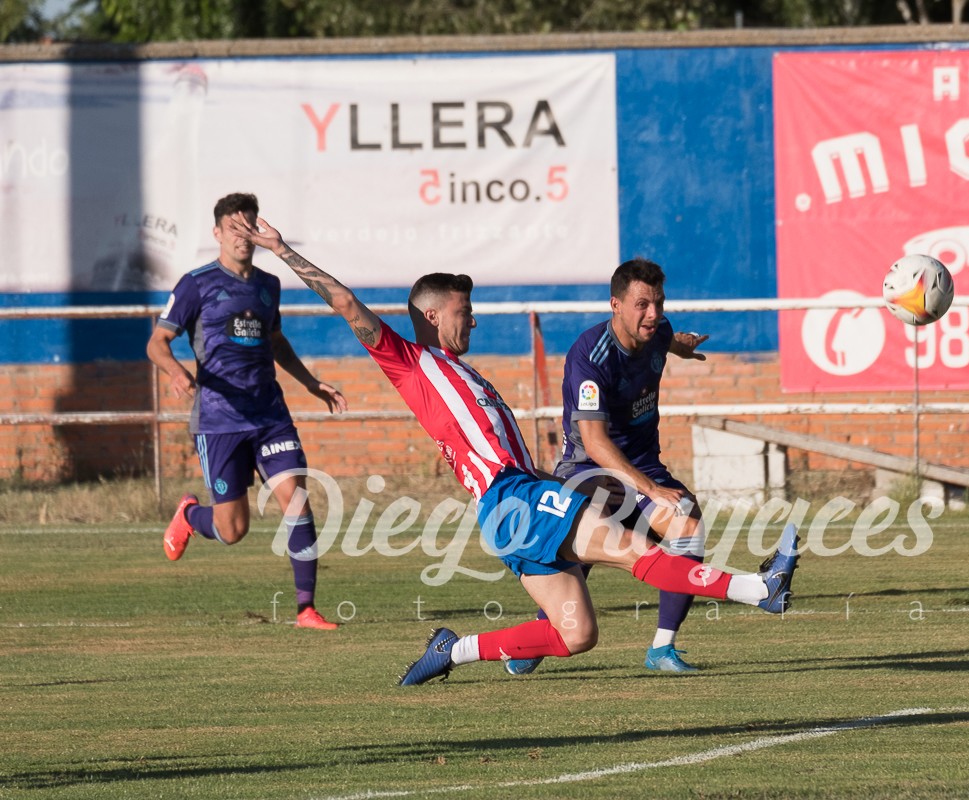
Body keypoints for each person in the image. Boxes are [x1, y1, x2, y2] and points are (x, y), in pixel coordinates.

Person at [227, 211, 799, 686]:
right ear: (430, 316)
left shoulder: (460, 369)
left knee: (576, 635)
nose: (472, 318)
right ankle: (760, 588)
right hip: (515, 495)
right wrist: (282, 251)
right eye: (463, 310)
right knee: (634, 553)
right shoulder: (410, 363)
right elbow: (347, 304)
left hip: (513, 510)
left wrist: (670, 342)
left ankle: (453, 650)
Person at [146, 193, 348, 630]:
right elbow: (156, 343)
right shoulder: (195, 285)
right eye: (234, 228)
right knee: (232, 530)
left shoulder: (267, 286)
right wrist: (179, 374)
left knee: (296, 498)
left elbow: (275, 342)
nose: (243, 236)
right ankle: (189, 516)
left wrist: (310, 382)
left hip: (270, 413)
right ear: (217, 233)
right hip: (219, 420)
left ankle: (305, 609)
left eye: (249, 227)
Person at [504, 258, 711, 676]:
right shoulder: (589, 357)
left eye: (658, 303)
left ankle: (662, 649)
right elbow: (596, 442)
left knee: (687, 525)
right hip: (587, 469)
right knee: (582, 558)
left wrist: (681, 346)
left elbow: (665, 336)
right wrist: (651, 492)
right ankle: (538, 637)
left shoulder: (660, 330)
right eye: (641, 305)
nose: (653, 314)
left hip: (642, 466)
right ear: (615, 304)